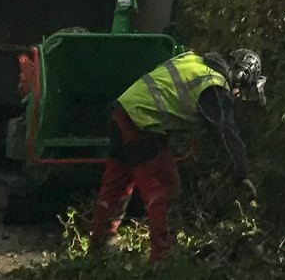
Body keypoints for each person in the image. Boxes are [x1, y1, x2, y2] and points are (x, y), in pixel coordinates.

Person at [90, 48, 265, 262]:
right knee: (165, 188)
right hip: (143, 122)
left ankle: (100, 246)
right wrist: (241, 173)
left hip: (122, 112)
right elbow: (225, 130)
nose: (237, 94)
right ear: (241, 76)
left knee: (116, 185)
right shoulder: (214, 86)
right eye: (241, 90)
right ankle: (165, 258)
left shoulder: (193, 61)